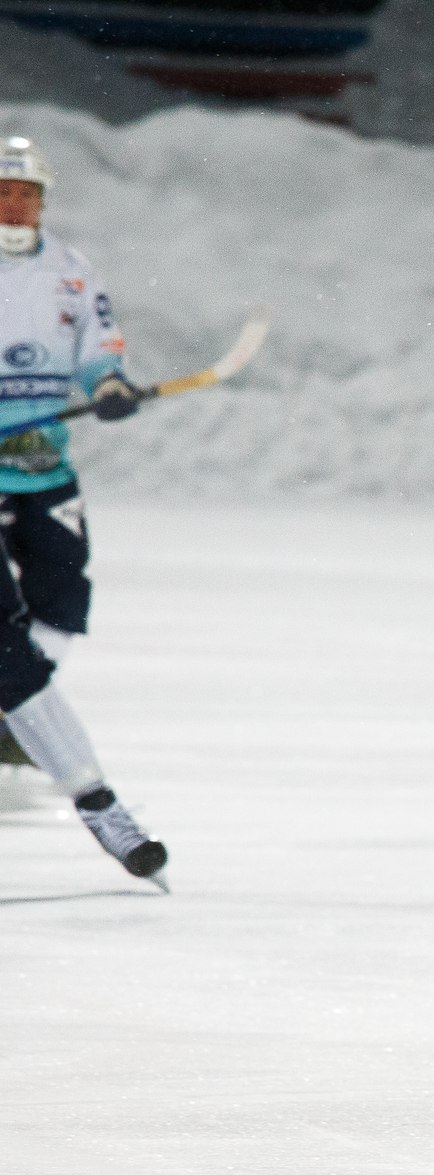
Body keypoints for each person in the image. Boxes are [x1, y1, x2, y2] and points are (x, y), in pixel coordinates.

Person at [0, 135, 165, 888]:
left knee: (50, 616)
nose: (14, 204)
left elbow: (100, 345)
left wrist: (107, 383)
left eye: (26, 193)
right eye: (4, 190)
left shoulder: (69, 272)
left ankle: (94, 801)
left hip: (42, 467)